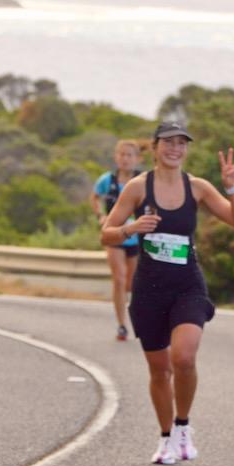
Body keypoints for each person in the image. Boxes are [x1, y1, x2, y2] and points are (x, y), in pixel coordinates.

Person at [101, 122, 234, 465]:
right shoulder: (137, 189)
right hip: (150, 290)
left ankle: (183, 426)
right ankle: (166, 436)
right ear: (154, 147)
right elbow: (106, 234)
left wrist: (232, 188)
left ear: (187, 150)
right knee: (158, 371)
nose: (175, 148)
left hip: (187, 286)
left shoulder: (196, 187)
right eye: (168, 142)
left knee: (183, 358)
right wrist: (131, 229)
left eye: (182, 143)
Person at [90, 140, 144, 341]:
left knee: (132, 283)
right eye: (121, 154)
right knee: (119, 279)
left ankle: (136, 314)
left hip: (137, 239)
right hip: (115, 236)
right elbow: (95, 197)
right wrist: (101, 216)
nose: (125, 159)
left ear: (138, 159)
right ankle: (122, 325)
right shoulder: (107, 180)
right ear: (116, 157)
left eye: (129, 155)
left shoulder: (143, 181)